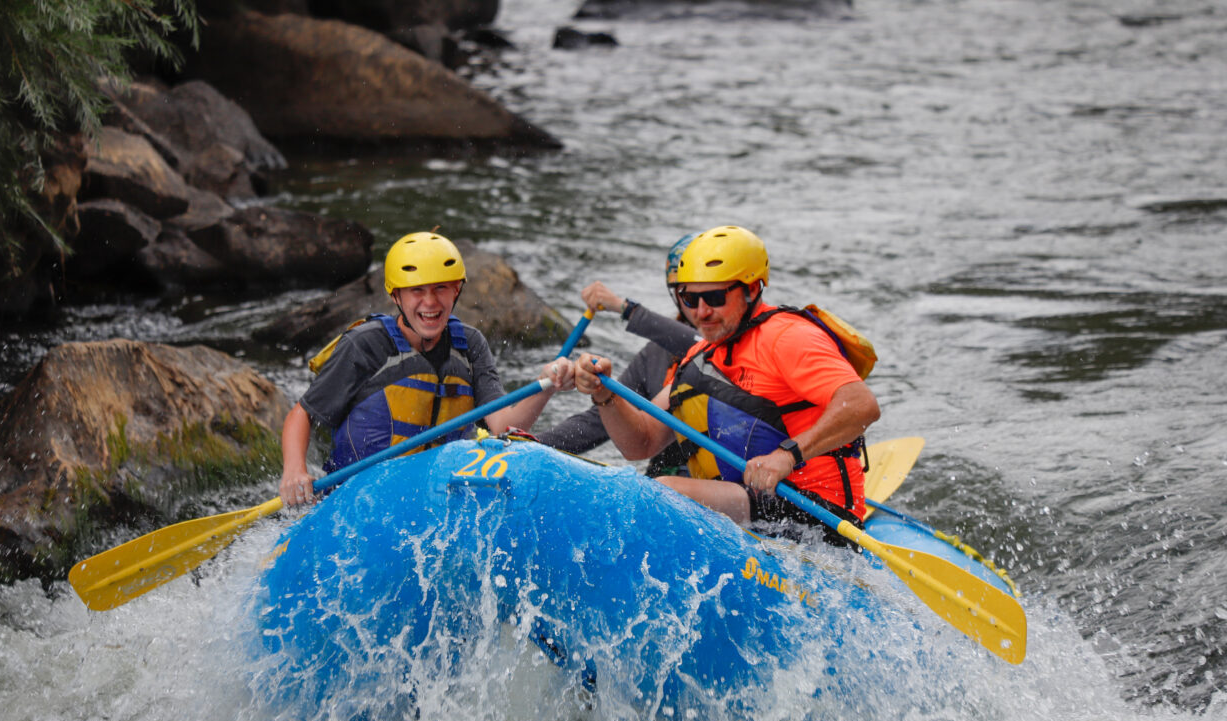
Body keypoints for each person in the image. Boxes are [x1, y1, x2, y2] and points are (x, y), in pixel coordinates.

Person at [573, 225, 881, 542]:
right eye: (689, 298)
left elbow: (862, 406)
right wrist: (604, 394)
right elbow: (641, 443)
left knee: (665, 489)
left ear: (752, 289)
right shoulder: (698, 356)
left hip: (817, 513)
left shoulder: (789, 337)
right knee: (648, 483)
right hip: (750, 506)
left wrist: (786, 457)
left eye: (716, 297)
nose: (702, 312)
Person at [279, 231, 575, 506]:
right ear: (396, 296)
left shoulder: (470, 345)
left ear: (456, 290)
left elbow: (503, 426)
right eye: (416, 290)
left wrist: (545, 384)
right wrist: (294, 470)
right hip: (360, 499)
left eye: (441, 288)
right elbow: (302, 414)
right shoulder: (365, 345)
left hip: (439, 500)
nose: (430, 302)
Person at [534, 234, 699, 475]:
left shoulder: (736, 352)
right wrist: (531, 445)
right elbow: (600, 422)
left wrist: (626, 309)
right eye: (691, 296)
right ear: (677, 297)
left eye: (716, 295)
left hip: (714, 486)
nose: (705, 308)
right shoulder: (654, 356)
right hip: (666, 480)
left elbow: (701, 346)